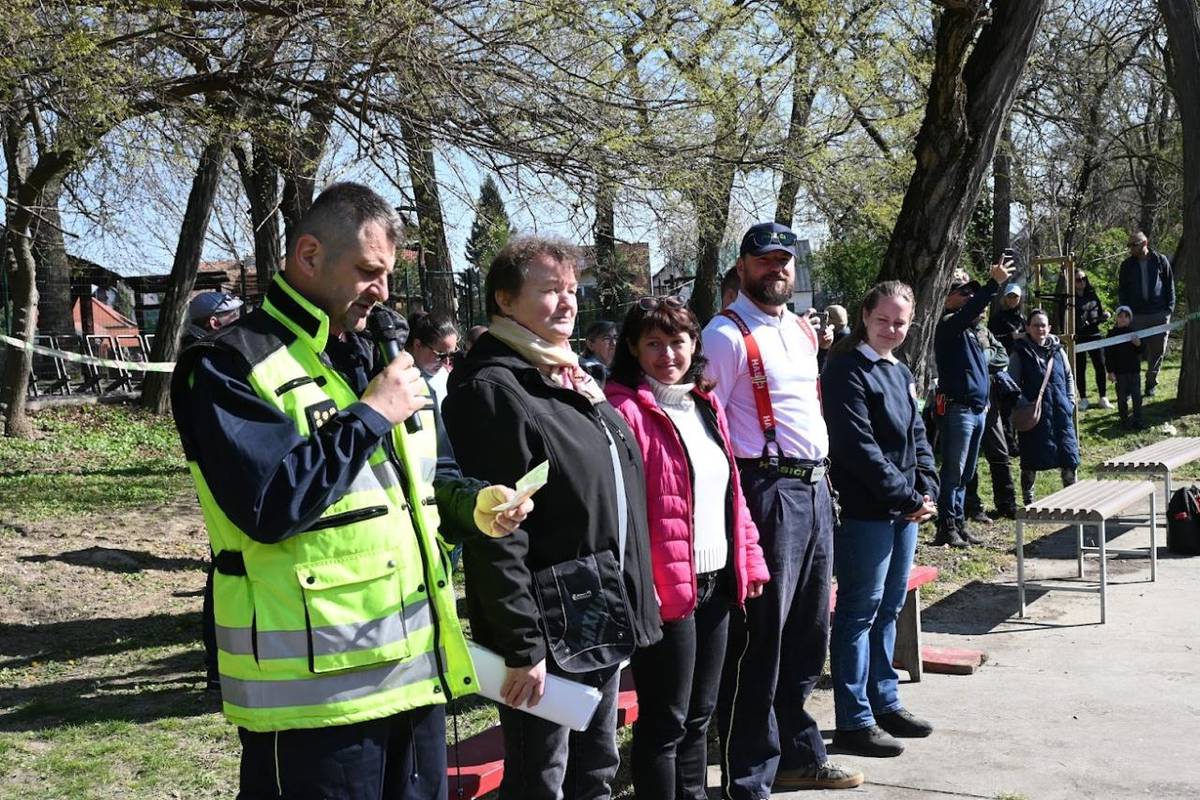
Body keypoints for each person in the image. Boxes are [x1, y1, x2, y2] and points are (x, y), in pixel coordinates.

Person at [170, 182, 532, 800]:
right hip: (314, 705)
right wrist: (368, 416)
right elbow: (270, 505)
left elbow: (430, 477)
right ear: (308, 255)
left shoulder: (376, 357)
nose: (383, 292)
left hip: (415, 680)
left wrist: (474, 505)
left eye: (388, 274)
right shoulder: (227, 364)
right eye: (369, 271)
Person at [442, 236, 662, 800]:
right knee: (543, 779)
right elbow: (499, 529)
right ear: (505, 301)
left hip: (599, 611)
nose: (567, 302)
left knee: (595, 770)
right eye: (548, 291)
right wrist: (523, 646)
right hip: (549, 625)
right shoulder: (494, 389)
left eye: (570, 289)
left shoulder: (571, 377)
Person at [702, 221, 861, 796]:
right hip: (765, 490)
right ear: (743, 267)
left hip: (815, 490)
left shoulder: (798, 329)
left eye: (785, 261)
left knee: (808, 634)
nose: (777, 269)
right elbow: (708, 424)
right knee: (761, 639)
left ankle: (798, 751)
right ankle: (748, 776)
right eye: (765, 260)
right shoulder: (724, 334)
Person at [605, 296, 770, 800]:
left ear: (694, 344)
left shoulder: (705, 402)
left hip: (717, 580)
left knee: (700, 714)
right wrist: (639, 586)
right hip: (664, 587)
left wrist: (750, 557)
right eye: (652, 343)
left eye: (677, 341)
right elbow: (623, 511)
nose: (667, 354)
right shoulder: (622, 410)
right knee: (665, 720)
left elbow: (731, 489)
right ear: (632, 348)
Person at [821, 281, 937, 758]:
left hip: (903, 511)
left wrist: (926, 487)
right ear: (866, 317)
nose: (892, 329)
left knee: (889, 608)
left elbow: (917, 434)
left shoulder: (899, 369)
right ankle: (854, 718)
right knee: (857, 614)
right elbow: (857, 447)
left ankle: (884, 700)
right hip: (867, 512)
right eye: (883, 319)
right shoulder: (845, 370)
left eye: (901, 322)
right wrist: (905, 494)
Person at [179, 290, 245, 690]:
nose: (243, 321)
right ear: (215, 323)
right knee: (226, 567)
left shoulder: (218, 357)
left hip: (224, 473)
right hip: (220, 478)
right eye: (234, 315)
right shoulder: (205, 364)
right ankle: (218, 668)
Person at [932, 259, 1014, 548]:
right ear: (947, 298)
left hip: (978, 409)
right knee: (953, 472)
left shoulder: (971, 331)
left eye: (971, 293)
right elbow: (970, 309)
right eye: (962, 292)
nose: (969, 297)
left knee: (965, 474)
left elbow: (991, 363)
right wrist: (993, 284)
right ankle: (946, 526)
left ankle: (959, 523)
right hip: (959, 409)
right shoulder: (947, 325)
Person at [1008, 309, 1080, 504]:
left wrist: (1070, 402)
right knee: (1031, 458)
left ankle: (1073, 498)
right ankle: (1029, 501)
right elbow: (1012, 384)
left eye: (1043, 325)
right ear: (1028, 328)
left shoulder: (1059, 350)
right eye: (1036, 325)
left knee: (1068, 455)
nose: (1040, 329)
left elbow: (1068, 376)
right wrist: (1025, 405)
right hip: (1035, 415)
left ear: (1049, 328)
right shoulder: (1020, 352)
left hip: (1060, 413)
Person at [963, 315, 1019, 522]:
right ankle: (971, 505)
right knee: (970, 455)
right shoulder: (956, 328)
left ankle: (1006, 503)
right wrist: (985, 356)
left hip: (991, 399)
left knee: (999, 450)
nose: (984, 311)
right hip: (968, 400)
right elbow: (967, 361)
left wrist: (985, 356)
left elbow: (1003, 355)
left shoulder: (985, 331)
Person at [1117, 231, 1174, 396]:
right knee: (1132, 352)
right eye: (1129, 245)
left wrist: (1169, 309)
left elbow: (1169, 284)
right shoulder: (1127, 265)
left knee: (1157, 352)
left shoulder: (1160, 260)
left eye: (1133, 245)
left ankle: (1151, 384)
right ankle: (1130, 388)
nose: (1130, 249)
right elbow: (1122, 290)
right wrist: (1126, 311)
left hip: (1159, 314)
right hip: (1137, 315)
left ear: (1144, 243)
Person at [1057, 269, 1109, 410]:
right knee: (1080, 368)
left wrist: (1103, 316)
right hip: (1077, 337)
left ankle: (1103, 397)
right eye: (1078, 279)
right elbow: (1063, 319)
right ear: (1072, 282)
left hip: (1094, 335)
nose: (1082, 281)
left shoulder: (1092, 295)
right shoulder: (1068, 299)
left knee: (1100, 365)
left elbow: (1098, 314)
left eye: (1084, 278)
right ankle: (1084, 398)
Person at [406, 311, 459, 410]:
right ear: (417, 345)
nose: (446, 362)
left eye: (451, 355)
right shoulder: (399, 380)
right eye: (441, 355)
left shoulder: (447, 376)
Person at [1105, 305, 1143, 429]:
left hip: (1134, 371)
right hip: (1119, 373)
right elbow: (1108, 355)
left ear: (1130, 319)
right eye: (1120, 317)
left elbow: (1141, 350)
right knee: (1122, 398)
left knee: (1137, 397)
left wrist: (1138, 345)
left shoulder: (1135, 332)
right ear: (1116, 318)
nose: (1123, 319)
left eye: (1126, 317)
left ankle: (1138, 420)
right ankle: (1124, 421)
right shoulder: (1111, 334)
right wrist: (1110, 371)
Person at [988, 284, 1026, 354]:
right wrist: (1011, 336)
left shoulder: (1023, 318)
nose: (1012, 299)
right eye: (1009, 296)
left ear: (1020, 298)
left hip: (1021, 355)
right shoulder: (997, 317)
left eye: (1015, 296)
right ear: (1004, 298)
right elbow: (991, 338)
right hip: (1003, 355)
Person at [579, 319, 619, 385]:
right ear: (590, 345)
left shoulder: (620, 369)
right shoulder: (587, 372)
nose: (613, 343)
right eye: (607, 338)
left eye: (615, 338)